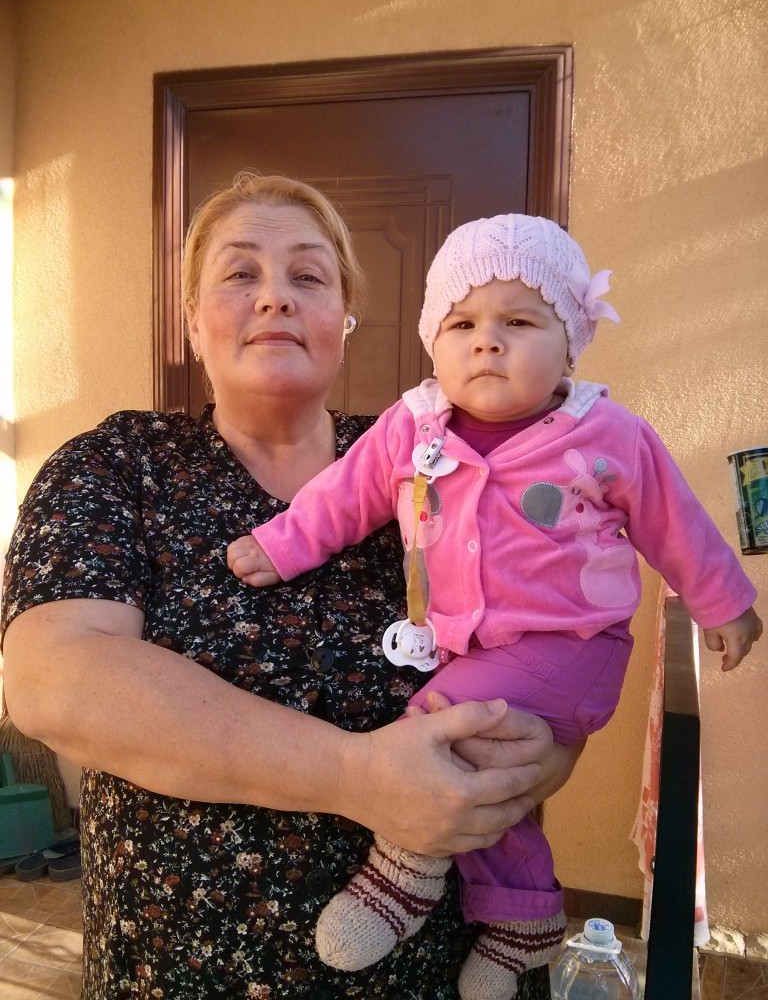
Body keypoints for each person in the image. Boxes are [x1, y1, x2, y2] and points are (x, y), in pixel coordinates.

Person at [0, 175, 581, 1000]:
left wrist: (540, 756)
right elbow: (54, 680)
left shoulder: (434, 461)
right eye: (240, 274)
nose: (274, 296)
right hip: (186, 971)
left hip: (441, 972)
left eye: (308, 276)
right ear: (192, 321)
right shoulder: (119, 464)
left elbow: (553, 621)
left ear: (343, 319)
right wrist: (357, 776)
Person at [227, 213, 763, 1000]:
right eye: (463, 324)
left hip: (571, 647)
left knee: (441, 725)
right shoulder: (411, 427)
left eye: (519, 322)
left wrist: (724, 603)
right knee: (491, 775)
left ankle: (402, 872)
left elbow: (674, 523)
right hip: (470, 648)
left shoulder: (607, 433)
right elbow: (342, 497)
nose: (487, 343)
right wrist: (281, 544)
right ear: (433, 342)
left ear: (570, 343)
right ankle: (524, 919)